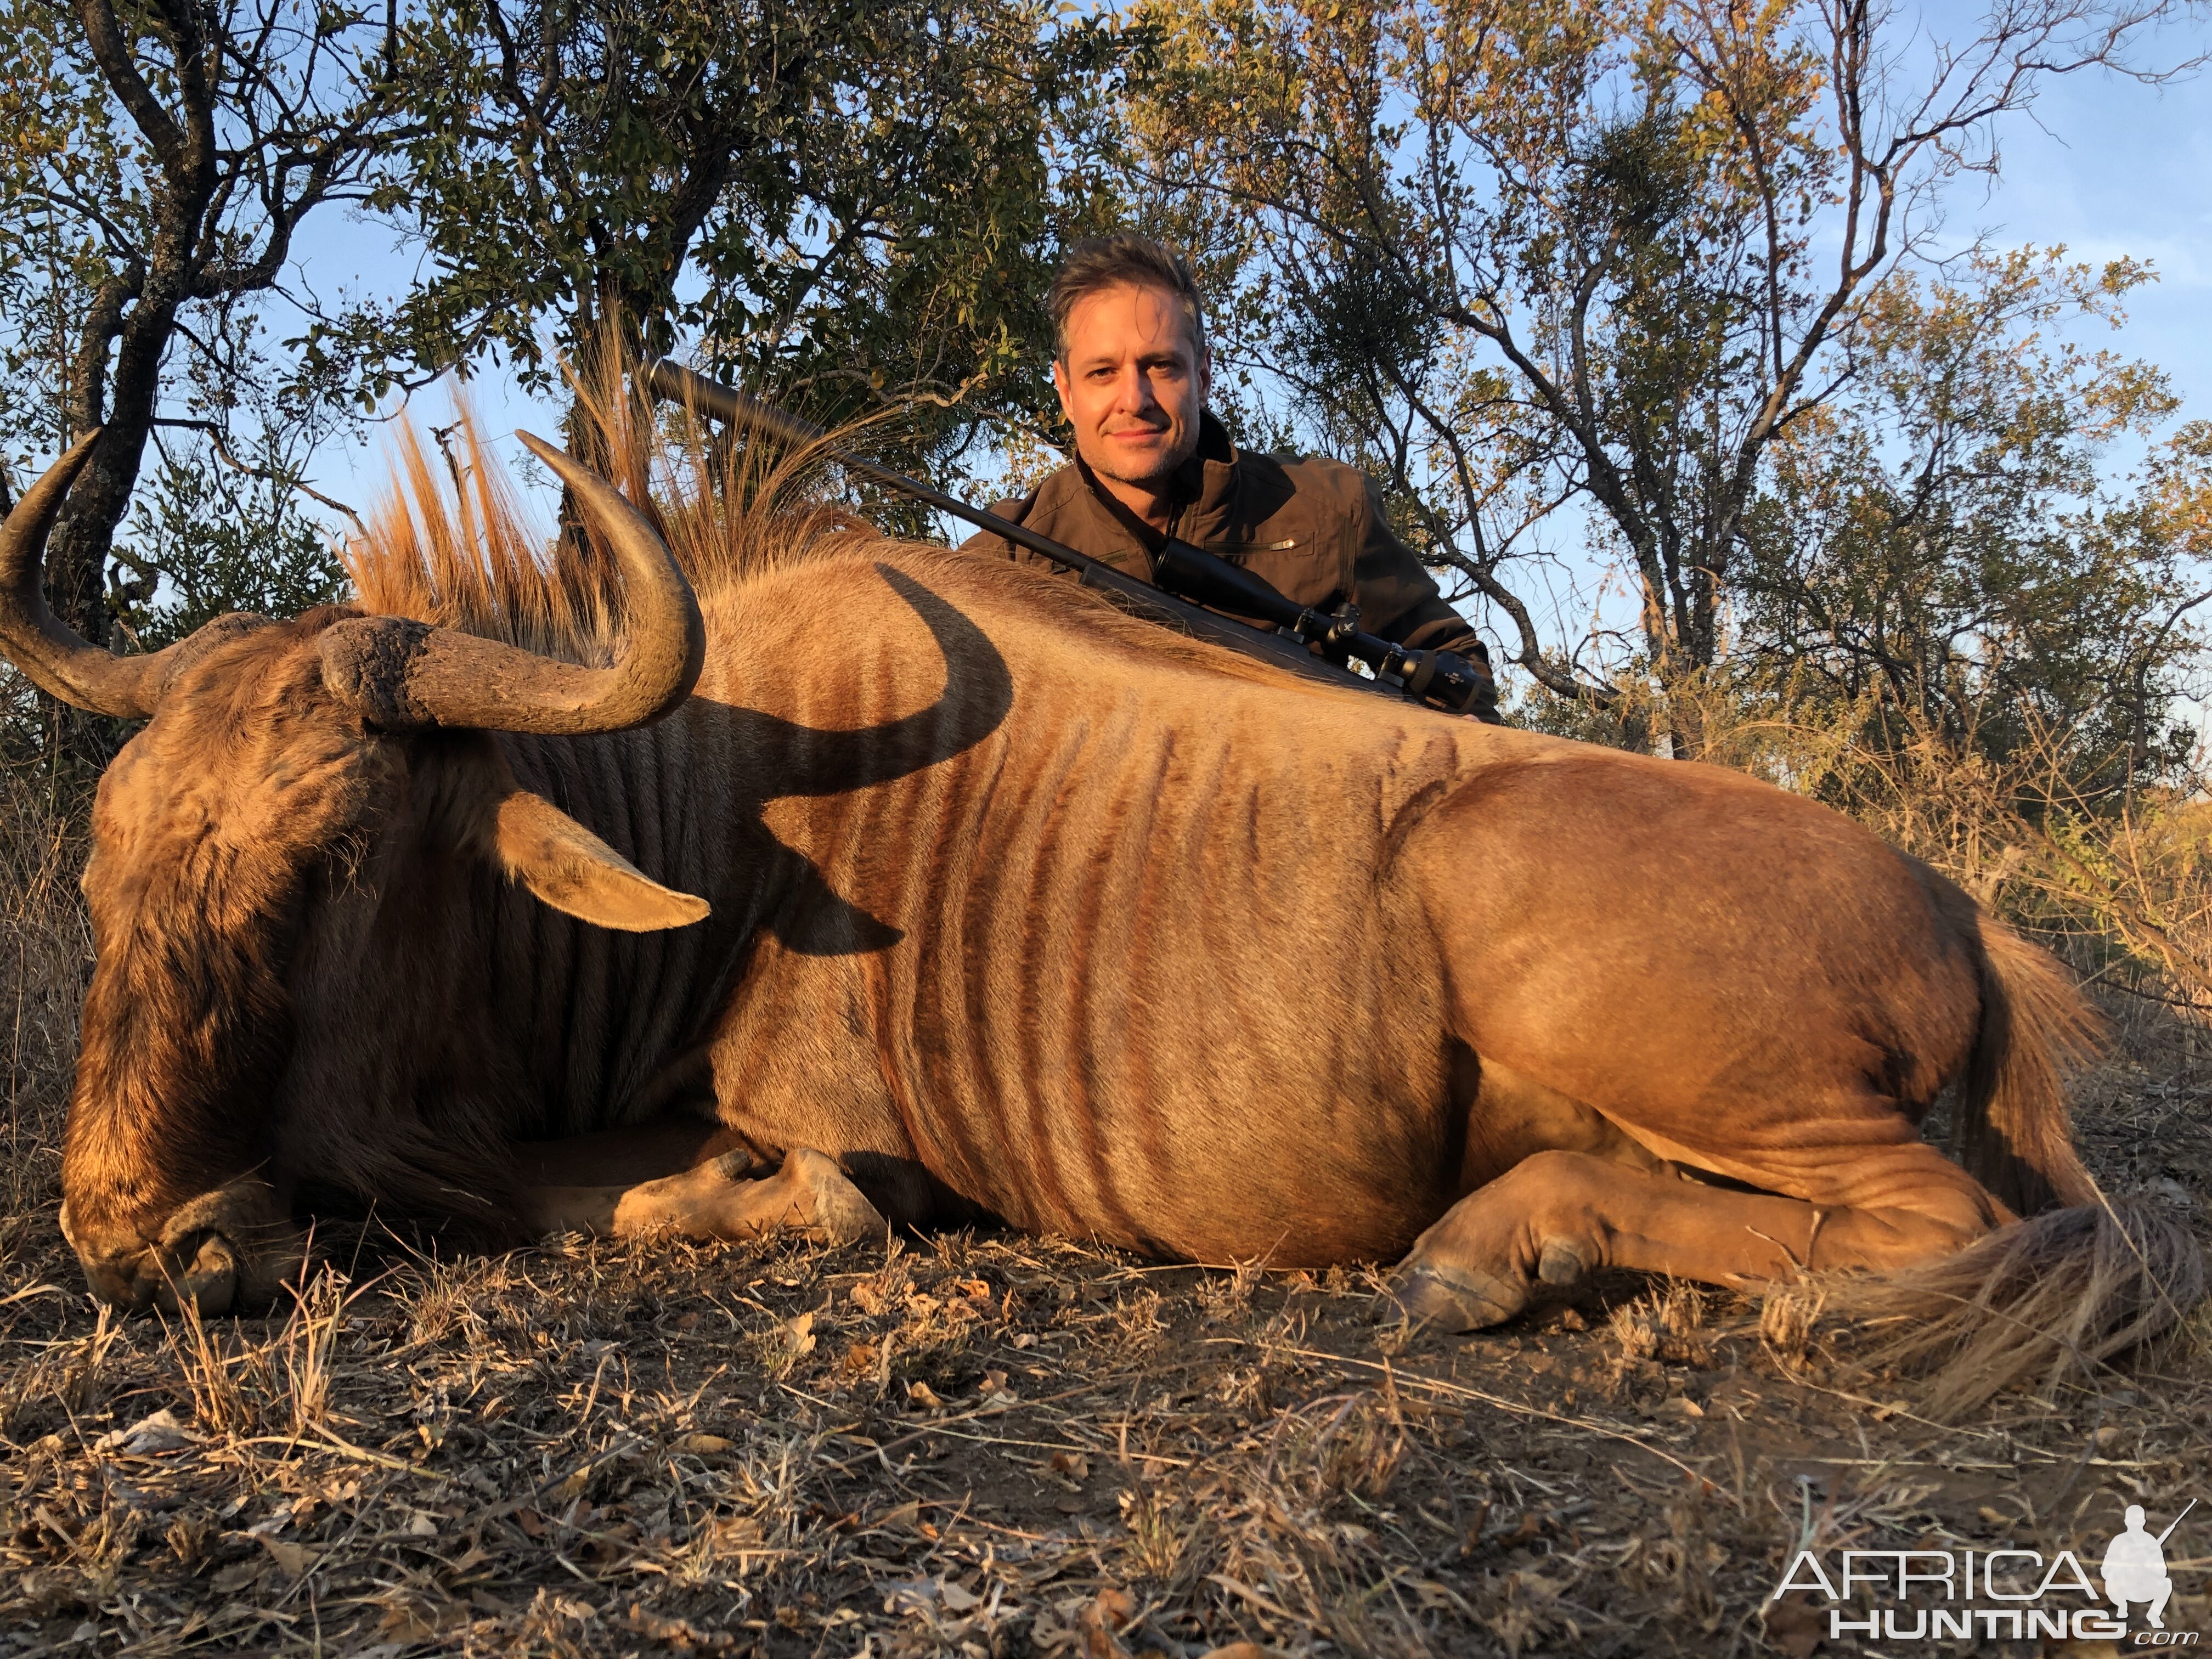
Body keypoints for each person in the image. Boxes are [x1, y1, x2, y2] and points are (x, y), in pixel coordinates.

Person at [962, 233, 1501, 721]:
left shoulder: (1329, 509)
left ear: (1202, 376)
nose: (1135, 399)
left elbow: (1460, 677)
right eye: (1103, 372)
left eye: (1161, 366)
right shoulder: (1005, 555)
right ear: (1065, 391)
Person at [2103, 1504, 2175, 1628]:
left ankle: (2154, 1615)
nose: (2135, 1525)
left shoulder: (2151, 1541)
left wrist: (2148, 1566)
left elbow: (2162, 1570)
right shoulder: (2119, 1541)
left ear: (2143, 1522)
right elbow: (2106, 1570)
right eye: (2132, 1522)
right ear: (2126, 1522)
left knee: (2167, 1584)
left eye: (2138, 1521)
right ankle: (2122, 1607)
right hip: (2123, 1588)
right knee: (2110, 1582)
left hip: (2144, 1587)